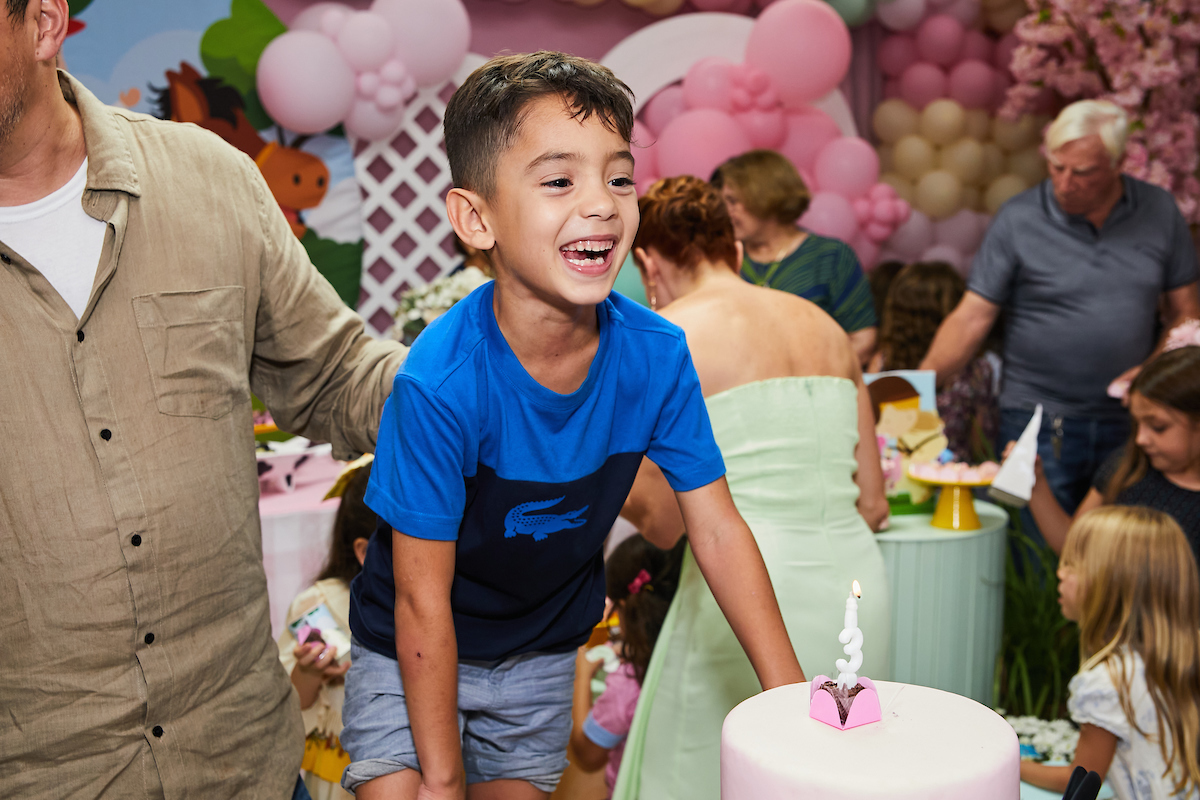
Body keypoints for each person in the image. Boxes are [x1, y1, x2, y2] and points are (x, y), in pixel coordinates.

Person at [340, 52, 803, 800]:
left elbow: (715, 531)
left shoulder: (656, 356)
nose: (602, 205)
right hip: (410, 653)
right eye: (560, 180)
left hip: (538, 652)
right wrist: (443, 779)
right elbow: (422, 600)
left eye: (619, 178)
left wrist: (791, 702)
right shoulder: (440, 381)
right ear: (476, 218)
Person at [0, 3, 406, 799]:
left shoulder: (208, 178)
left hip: (241, 761)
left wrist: (502, 387)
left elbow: (336, 372)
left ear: (43, 23)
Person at [612, 175, 890, 800]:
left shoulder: (666, 338)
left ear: (647, 264)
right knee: (838, 778)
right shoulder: (826, 327)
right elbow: (873, 503)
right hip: (857, 590)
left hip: (741, 595)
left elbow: (663, 524)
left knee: (705, 776)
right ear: (734, 251)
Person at [920, 100, 1200, 549]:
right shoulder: (1019, 218)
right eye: (1056, 167)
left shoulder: (1159, 211)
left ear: (1119, 164)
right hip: (1036, 419)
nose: (1065, 183)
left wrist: (1150, 372)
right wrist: (915, 389)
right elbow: (972, 316)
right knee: (1035, 563)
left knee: (1116, 557)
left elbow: (1186, 314)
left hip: (1133, 423)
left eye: (1083, 172)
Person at [1020, 506, 1200, 799]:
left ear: (1111, 585)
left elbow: (1078, 777)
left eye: (1073, 565)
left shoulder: (1107, 683)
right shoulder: (1187, 650)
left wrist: (1015, 765)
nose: (1060, 572)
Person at [1016, 347, 1200, 564]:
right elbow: (1074, 547)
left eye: (1158, 427)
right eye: (1136, 424)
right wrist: (1035, 481)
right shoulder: (1128, 466)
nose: (1140, 438)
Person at [711, 149, 878, 366]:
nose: (727, 212)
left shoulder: (830, 257)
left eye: (732, 201)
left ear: (764, 196)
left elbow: (863, 339)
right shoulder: (723, 259)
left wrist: (807, 375)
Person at [278, 459, 377, 800]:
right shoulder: (317, 605)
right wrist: (308, 671)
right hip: (337, 775)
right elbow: (290, 706)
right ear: (363, 550)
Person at [568, 535, 687, 799]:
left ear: (623, 607)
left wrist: (580, 676)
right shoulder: (688, 660)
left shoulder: (629, 683)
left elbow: (588, 755)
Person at [870, 261, 998, 462]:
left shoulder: (882, 363)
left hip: (897, 480)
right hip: (953, 482)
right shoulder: (976, 370)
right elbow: (982, 446)